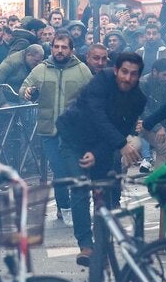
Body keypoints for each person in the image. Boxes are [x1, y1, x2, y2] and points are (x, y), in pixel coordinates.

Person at [56, 53, 146, 266]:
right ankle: (86, 246)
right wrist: (122, 145)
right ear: (116, 70)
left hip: (102, 145)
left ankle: (103, 245)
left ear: (139, 77)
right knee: (79, 187)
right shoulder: (101, 81)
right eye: (124, 72)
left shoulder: (139, 99)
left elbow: (123, 128)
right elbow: (98, 116)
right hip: (74, 139)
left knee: (104, 194)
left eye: (133, 74)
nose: (127, 78)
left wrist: (97, 153)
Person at [20, 32, 93, 224]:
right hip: (49, 130)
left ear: (71, 50)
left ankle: (77, 205)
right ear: (51, 48)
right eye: (56, 47)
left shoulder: (82, 70)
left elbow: (94, 96)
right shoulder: (41, 69)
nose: (59, 51)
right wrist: (27, 92)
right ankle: (64, 207)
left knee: (75, 170)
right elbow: (24, 87)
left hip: (73, 131)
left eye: (64, 47)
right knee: (59, 170)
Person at [134, 58, 166, 171]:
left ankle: (158, 182)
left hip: (153, 122)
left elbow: (163, 108)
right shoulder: (143, 83)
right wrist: (158, 127)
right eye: (164, 74)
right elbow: (142, 109)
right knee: (164, 147)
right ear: (154, 71)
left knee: (164, 147)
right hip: (138, 122)